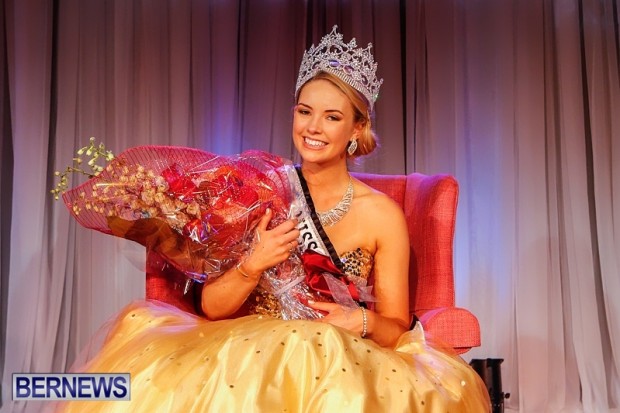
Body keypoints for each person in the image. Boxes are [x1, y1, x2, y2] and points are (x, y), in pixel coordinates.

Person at [52, 26, 491, 412]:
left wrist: (355, 321)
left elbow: (396, 327)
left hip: (343, 355)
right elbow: (211, 307)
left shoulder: (382, 214)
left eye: (332, 116)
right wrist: (254, 262)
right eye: (305, 111)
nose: (313, 127)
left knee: (312, 353)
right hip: (245, 346)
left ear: (357, 130)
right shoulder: (257, 189)